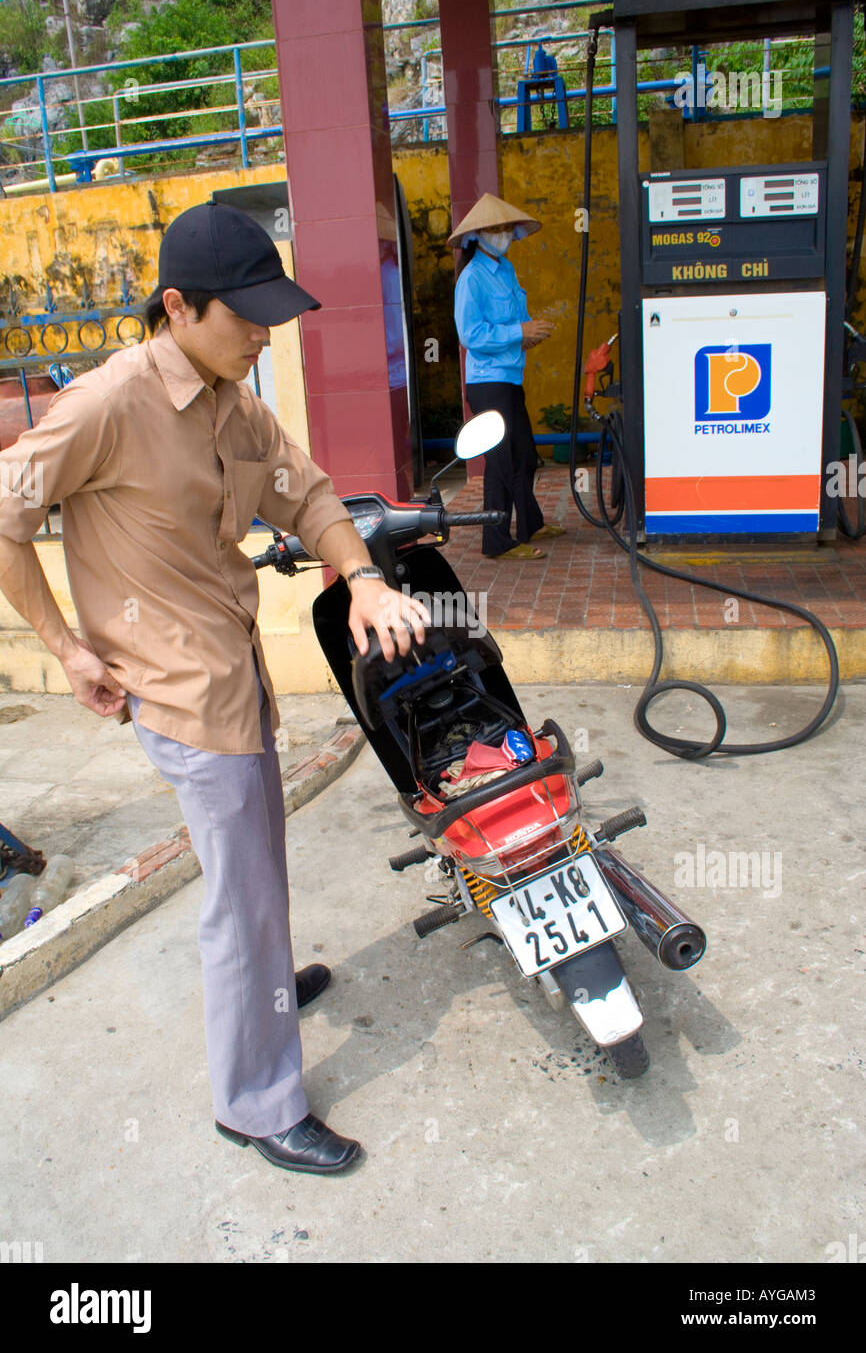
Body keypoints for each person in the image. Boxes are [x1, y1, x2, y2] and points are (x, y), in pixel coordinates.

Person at [0, 200, 429, 1176]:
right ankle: (257, 1101)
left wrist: (358, 576)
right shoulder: (107, 405)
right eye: (245, 316)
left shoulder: (236, 401)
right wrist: (67, 649)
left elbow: (309, 492)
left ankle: (265, 992)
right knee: (238, 895)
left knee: (257, 863)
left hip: (236, 678)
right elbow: (5, 519)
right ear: (178, 308)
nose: (263, 333)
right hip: (181, 694)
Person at [450, 192, 564, 560]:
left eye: (505, 227)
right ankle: (496, 542)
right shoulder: (471, 279)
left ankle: (531, 524)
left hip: (509, 379)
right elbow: (471, 335)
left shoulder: (507, 270)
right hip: (487, 383)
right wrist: (519, 333)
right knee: (500, 462)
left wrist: (527, 337)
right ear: (478, 235)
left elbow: (516, 324)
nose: (503, 233)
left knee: (525, 455)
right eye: (495, 228)